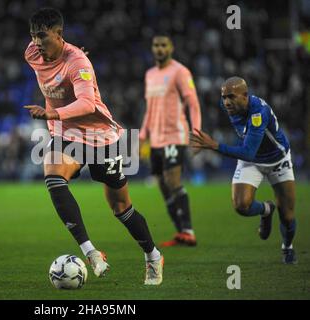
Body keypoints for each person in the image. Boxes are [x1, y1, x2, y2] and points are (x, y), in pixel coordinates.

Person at [23, 7, 164, 285]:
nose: (37, 43)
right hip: (67, 132)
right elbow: (48, 59)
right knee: (53, 176)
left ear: (59, 34)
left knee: (121, 208)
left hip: (100, 137)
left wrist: (50, 112)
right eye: (32, 36)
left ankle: (153, 256)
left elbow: (87, 104)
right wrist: (56, 119)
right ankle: (91, 252)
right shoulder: (32, 54)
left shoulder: (78, 63)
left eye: (42, 36)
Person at [190, 77, 297, 264]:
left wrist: (214, 145)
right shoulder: (228, 106)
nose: (226, 102)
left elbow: (247, 152)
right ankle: (266, 209)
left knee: (287, 216)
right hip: (253, 159)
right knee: (241, 205)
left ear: (245, 96)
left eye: (231, 97)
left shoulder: (259, 112)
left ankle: (287, 247)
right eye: (223, 97)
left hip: (277, 159)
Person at [140, 35, 201, 247]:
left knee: (173, 181)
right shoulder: (150, 74)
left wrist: (196, 131)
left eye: (163, 45)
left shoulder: (180, 72)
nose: (159, 49)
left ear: (171, 48)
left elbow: (193, 103)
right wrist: (142, 134)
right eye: (156, 45)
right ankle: (180, 231)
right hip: (155, 139)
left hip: (175, 135)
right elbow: (150, 108)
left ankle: (189, 230)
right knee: (162, 184)